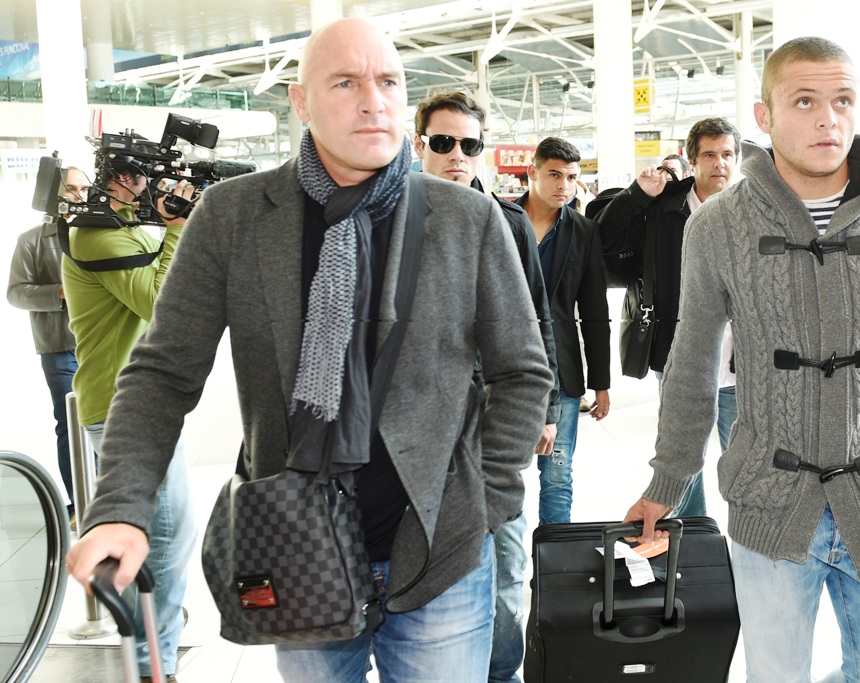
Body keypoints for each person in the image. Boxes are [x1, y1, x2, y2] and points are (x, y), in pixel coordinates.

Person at [66, 18, 553, 683]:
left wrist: (485, 499)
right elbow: (161, 372)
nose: (373, 101)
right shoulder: (234, 215)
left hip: (440, 554)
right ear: (301, 101)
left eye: (388, 82)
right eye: (345, 83)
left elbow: (521, 370)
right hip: (296, 544)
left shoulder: (465, 217)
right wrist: (120, 508)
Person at [624, 36, 860, 682]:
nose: (827, 119)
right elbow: (693, 358)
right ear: (765, 116)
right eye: (805, 101)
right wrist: (667, 479)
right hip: (770, 501)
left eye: (843, 101)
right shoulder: (717, 225)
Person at [413, 90, 559, 683]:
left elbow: (539, 319)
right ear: (420, 144)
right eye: (443, 142)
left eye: (469, 144)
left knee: (505, 560)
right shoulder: (395, 220)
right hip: (425, 426)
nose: (457, 155)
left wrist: (547, 408)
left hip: (497, 415)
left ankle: (500, 672)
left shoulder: (509, 222)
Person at [61, 159, 198, 683]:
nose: (149, 185)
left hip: (140, 402)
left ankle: (157, 636)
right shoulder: (95, 235)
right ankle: (149, 663)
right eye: (141, 175)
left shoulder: (122, 230)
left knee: (167, 534)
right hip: (122, 408)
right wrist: (177, 229)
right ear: (119, 178)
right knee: (165, 538)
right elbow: (160, 302)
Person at [597, 117, 741, 517]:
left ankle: (748, 538)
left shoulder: (752, 209)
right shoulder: (662, 207)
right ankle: (692, 536)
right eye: (709, 155)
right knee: (681, 458)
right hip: (679, 356)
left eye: (727, 154)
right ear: (692, 160)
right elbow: (605, 240)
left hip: (742, 361)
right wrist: (636, 195)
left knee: (745, 461)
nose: (719, 163)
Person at [517, 137, 610, 525]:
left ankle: (554, 563)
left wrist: (600, 383)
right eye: (554, 175)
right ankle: (505, 563)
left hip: (564, 372)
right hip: (506, 369)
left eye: (571, 177)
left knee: (557, 477)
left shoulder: (583, 231)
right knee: (501, 477)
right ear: (532, 172)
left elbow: (594, 310)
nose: (564, 185)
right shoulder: (501, 220)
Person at [7, 167, 88, 525]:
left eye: (84, 188)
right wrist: (59, 292)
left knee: (109, 423)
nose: (79, 195)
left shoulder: (99, 232)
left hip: (102, 344)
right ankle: (79, 504)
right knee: (71, 425)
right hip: (60, 347)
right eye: (71, 188)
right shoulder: (31, 240)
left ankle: (107, 501)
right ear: (53, 192)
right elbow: (15, 293)